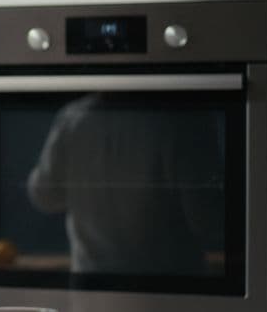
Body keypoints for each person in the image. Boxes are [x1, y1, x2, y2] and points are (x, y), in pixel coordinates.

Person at [26, 93, 224, 276]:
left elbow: (45, 196)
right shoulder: (183, 118)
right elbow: (206, 220)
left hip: (90, 281)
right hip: (170, 283)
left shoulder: (73, 118)